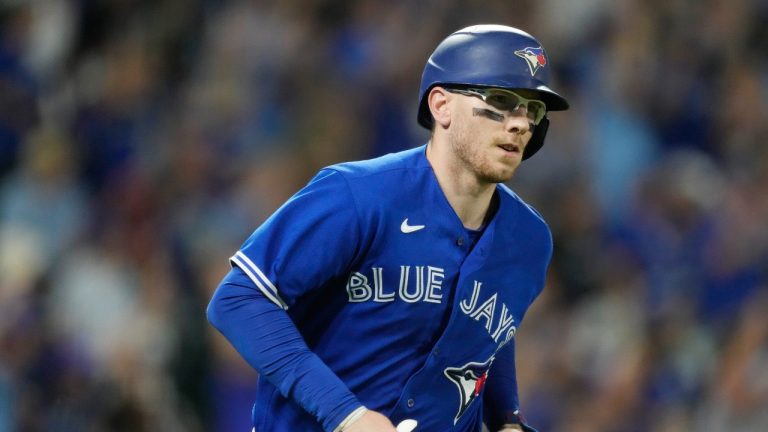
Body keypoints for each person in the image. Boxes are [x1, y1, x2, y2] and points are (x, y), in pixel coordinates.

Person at [207, 24, 569, 432]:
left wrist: (507, 418)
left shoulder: (529, 240)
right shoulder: (357, 195)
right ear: (441, 105)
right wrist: (346, 414)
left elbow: (489, 332)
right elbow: (238, 299)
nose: (521, 123)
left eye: (533, 110)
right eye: (501, 100)